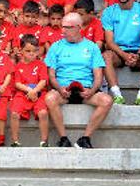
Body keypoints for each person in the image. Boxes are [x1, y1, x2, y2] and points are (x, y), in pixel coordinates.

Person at [44, 13, 111, 148]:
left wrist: (91, 91)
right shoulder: (56, 47)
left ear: (79, 28)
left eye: (67, 27)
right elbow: (51, 75)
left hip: (86, 90)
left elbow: (98, 76)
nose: (63, 31)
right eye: (63, 27)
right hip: (63, 90)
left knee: (107, 100)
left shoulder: (92, 47)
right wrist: (59, 89)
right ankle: (63, 138)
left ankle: (85, 138)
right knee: (50, 98)